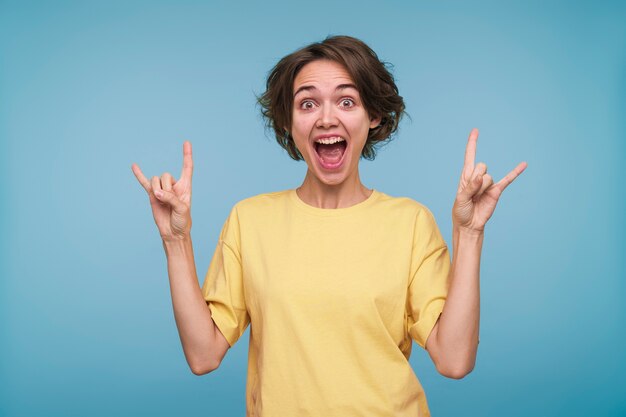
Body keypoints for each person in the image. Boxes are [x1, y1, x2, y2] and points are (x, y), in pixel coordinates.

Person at [131, 35, 527, 417]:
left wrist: (470, 233)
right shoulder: (249, 221)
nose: (326, 118)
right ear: (287, 122)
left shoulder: (410, 223)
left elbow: (454, 360)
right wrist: (175, 240)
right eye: (307, 104)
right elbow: (203, 356)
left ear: (372, 116)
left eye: (346, 100)